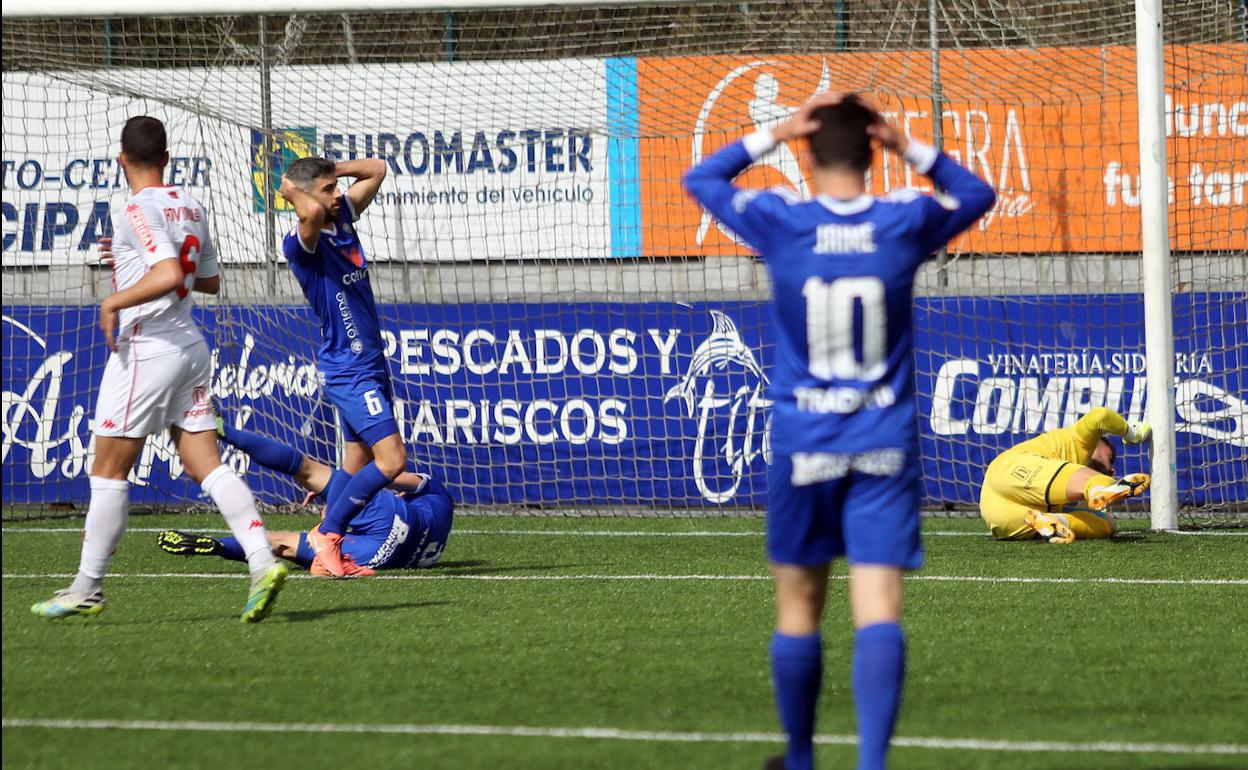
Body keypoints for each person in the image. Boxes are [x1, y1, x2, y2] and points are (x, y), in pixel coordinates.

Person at [684, 92, 996, 770]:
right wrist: (906, 144)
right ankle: (872, 765)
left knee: (799, 607)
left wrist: (776, 130)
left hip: (805, 444)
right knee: (878, 605)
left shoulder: (780, 219)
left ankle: (800, 759)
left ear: (808, 148)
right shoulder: (904, 219)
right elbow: (976, 192)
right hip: (884, 442)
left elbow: (700, 179)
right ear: (871, 148)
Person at [31, 116, 287, 623]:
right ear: (167, 158)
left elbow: (169, 274)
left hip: (146, 350)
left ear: (121, 158)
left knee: (107, 472)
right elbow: (205, 280)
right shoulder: (190, 205)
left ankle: (88, 588)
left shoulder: (133, 207)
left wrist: (113, 301)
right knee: (206, 465)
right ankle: (261, 562)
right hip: (190, 347)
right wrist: (127, 262)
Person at [278, 156, 405, 578]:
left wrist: (333, 170)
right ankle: (328, 536)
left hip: (370, 362)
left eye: (336, 188)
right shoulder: (301, 244)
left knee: (354, 464)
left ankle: (324, 554)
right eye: (329, 189)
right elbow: (311, 209)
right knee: (392, 461)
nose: (337, 195)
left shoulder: (342, 217)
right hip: (349, 369)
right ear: (305, 195)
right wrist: (293, 188)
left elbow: (378, 168)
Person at [157, 417, 453, 574]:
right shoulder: (438, 521)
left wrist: (345, 490)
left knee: (305, 468)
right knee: (283, 544)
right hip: (380, 554)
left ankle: (223, 429)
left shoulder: (440, 499)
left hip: (387, 518)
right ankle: (217, 545)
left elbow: (385, 473)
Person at [980, 407, 1152, 543]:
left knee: (1108, 523)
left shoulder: (1067, 488)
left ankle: (1056, 521)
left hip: (1001, 519)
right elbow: (1100, 415)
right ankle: (1099, 489)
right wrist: (1130, 433)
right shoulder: (1077, 440)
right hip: (1011, 469)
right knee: (1095, 482)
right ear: (1098, 443)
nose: (1113, 468)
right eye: (1110, 457)